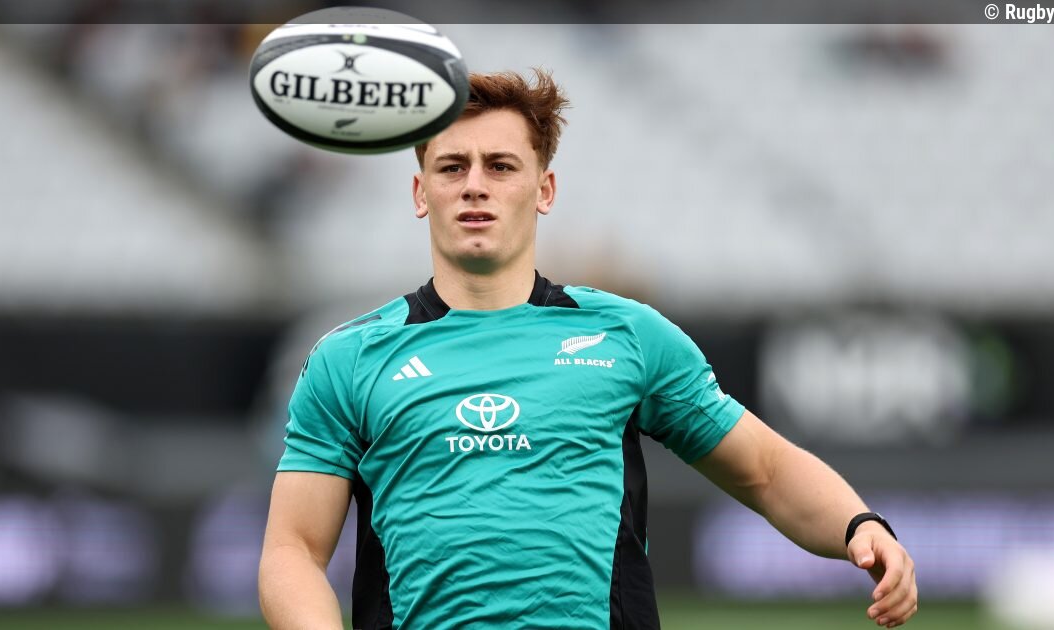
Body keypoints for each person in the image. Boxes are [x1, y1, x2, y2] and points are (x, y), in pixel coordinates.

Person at [258, 69, 918, 630]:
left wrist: (859, 525)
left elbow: (764, 470)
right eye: (452, 167)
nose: (475, 185)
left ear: (544, 190)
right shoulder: (350, 358)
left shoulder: (628, 335)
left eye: (501, 166)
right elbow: (293, 550)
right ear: (420, 192)